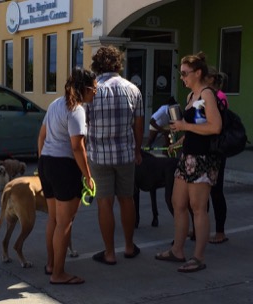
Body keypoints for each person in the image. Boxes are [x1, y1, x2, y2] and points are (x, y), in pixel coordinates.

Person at [155, 52, 222, 272]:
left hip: (203, 159)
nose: (182, 77)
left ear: (198, 73)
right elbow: (197, 127)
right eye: (181, 73)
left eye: (185, 73)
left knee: (198, 208)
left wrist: (185, 127)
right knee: (178, 203)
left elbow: (214, 127)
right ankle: (178, 250)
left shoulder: (206, 95)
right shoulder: (192, 96)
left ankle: (198, 257)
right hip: (188, 156)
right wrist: (181, 140)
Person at [86, 45, 144, 265]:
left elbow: (84, 124)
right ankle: (129, 247)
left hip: (98, 156)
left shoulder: (91, 90)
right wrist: (137, 150)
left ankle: (109, 253)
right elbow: (139, 126)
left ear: (96, 65)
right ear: (118, 64)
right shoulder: (132, 89)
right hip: (125, 155)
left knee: (104, 203)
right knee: (126, 199)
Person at [38, 68, 96, 285]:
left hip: (47, 163)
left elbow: (41, 137)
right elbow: (77, 147)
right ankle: (58, 274)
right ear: (85, 89)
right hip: (64, 168)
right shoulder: (76, 110)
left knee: (54, 219)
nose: (96, 93)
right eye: (94, 89)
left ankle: (52, 264)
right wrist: (88, 175)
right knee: (65, 223)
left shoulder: (55, 104)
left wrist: (44, 162)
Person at [206, 67, 229, 244]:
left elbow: (210, 123)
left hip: (215, 150)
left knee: (215, 191)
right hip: (206, 148)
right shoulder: (206, 95)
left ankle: (220, 231)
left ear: (211, 79)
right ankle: (201, 227)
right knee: (202, 191)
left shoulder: (217, 97)